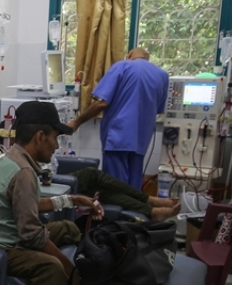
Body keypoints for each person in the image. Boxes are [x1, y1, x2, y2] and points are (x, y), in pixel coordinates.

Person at [0, 101, 104, 285]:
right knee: (51, 267)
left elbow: (29, 205)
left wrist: (73, 200)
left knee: (67, 228)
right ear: (40, 137)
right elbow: (31, 235)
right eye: (55, 137)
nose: (56, 146)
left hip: (7, 235)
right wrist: (71, 270)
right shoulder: (23, 172)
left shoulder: (12, 157)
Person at [67, 47, 170, 189]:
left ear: (130, 55)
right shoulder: (162, 75)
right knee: (133, 188)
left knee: (115, 187)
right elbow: (158, 109)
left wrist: (77, 121)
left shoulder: (122, 66)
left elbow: (102, 102)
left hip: (119, 137)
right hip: (141, 139)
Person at [67, 166, 181, 221]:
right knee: (92, 174)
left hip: (58, 178)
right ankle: (150, 202)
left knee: (103, 191)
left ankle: (152, 210)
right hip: (58, 182)